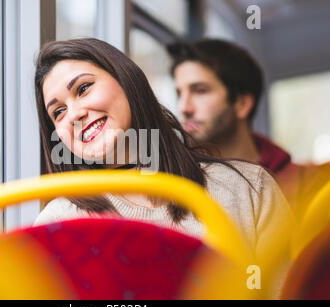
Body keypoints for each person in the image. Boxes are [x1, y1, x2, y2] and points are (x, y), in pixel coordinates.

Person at [32, 38, 292, 259]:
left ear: (127, 81)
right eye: (59, 112)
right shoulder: (56, 222)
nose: (75, 114)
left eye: (84, 88)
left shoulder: (248, 189)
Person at [168, 39, 330, 218]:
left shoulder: (307, 187)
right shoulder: (174, 183)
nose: (184, 107)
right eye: (179, 93)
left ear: (242, 104)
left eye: (200, 91)